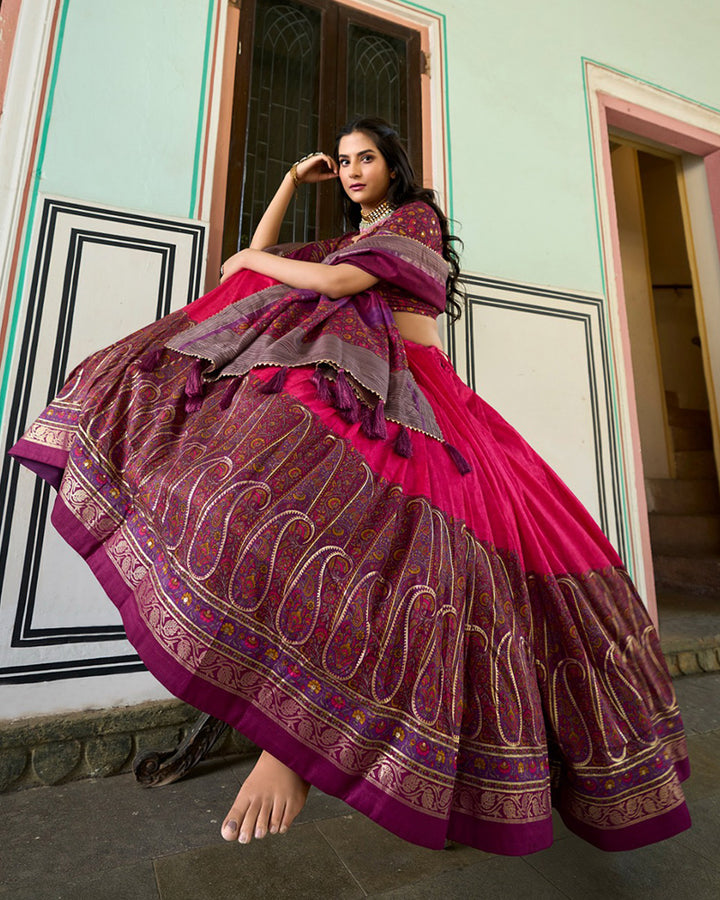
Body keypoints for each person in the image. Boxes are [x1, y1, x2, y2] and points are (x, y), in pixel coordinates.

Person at [9, 117, 690, 856]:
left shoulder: (413, 221)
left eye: (366, 157)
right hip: (363, 380)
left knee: (412, 566)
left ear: (392, 165)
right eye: (343, 161)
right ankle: (287, 720)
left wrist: (252, 257)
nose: (354, 168)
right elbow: (254, 266)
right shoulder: (355, 237)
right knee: (261, 509)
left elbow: (330, 283)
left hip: (419, 401)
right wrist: (283, 188)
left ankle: (293, 753)